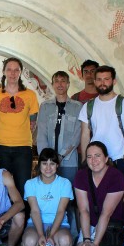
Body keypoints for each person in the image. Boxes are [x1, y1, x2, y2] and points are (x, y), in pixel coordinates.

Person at [73, 141, 124, 246]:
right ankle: (91, 245)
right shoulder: (81, 176)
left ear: (106, 158)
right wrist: (87, 240)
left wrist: (96, 244)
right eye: (89, 157)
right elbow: (84, 211)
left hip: (112, 227)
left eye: (97, 156)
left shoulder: (116, 177)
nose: (93, 160)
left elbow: (106, 214)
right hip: (90, 226)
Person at [37, 71, 82, 231]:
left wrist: (61, 155)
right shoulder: (45, 106)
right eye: (57, 81)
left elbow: (78, 134)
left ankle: (72, 232)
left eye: (63, 81)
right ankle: (46, 229)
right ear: (53, 84)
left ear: (68, 84)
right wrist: (47, 159)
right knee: (48, 196)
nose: (60, 84)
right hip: (48, 162)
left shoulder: (77, 107)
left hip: (68, 161)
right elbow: (41, 133)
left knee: (69, 198)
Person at [0, 57, 39, 198]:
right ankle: (2, 219)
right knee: (0, 186)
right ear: (4, 72)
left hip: (22, 147)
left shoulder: (30, 95)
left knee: (22, 186)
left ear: (20, 72)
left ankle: (21, 218)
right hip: (0, 146)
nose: (12, 73)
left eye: (16, 70)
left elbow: (33, 123)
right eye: (9, 70)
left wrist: (21, 135)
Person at [78, 65, 124, 175]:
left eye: (106, 79)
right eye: (99, 79)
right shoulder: (88, 106)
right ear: (95, 82)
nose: (102, 83)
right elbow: (85, 135)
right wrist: (85, 160)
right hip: (95, 161)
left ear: (114, 81)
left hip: (118, 159)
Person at [21, 148, 74, 246]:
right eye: (45, 163)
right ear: (39, 164)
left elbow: (61, 211)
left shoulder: (65, 183)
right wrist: (41, 234)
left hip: (59, 225)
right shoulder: (30, 184)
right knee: (29, 243)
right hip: (36, 223)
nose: (48, 168)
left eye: (52, 164)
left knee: (65, 242)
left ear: (57, 165)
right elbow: (34, 211)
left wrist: (51, 234)